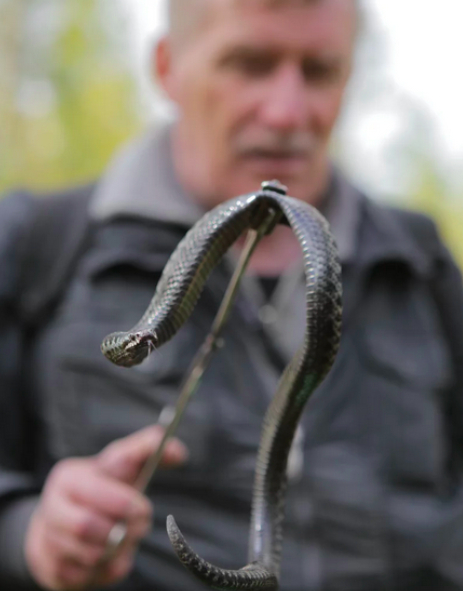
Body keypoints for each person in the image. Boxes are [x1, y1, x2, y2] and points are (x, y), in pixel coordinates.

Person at [1, 0, 463, 590]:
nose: (286, 111)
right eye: (249, 63)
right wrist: (26, 532)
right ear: (167, 68)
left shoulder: (418, 262)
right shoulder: (38, 244)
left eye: (319, 70)